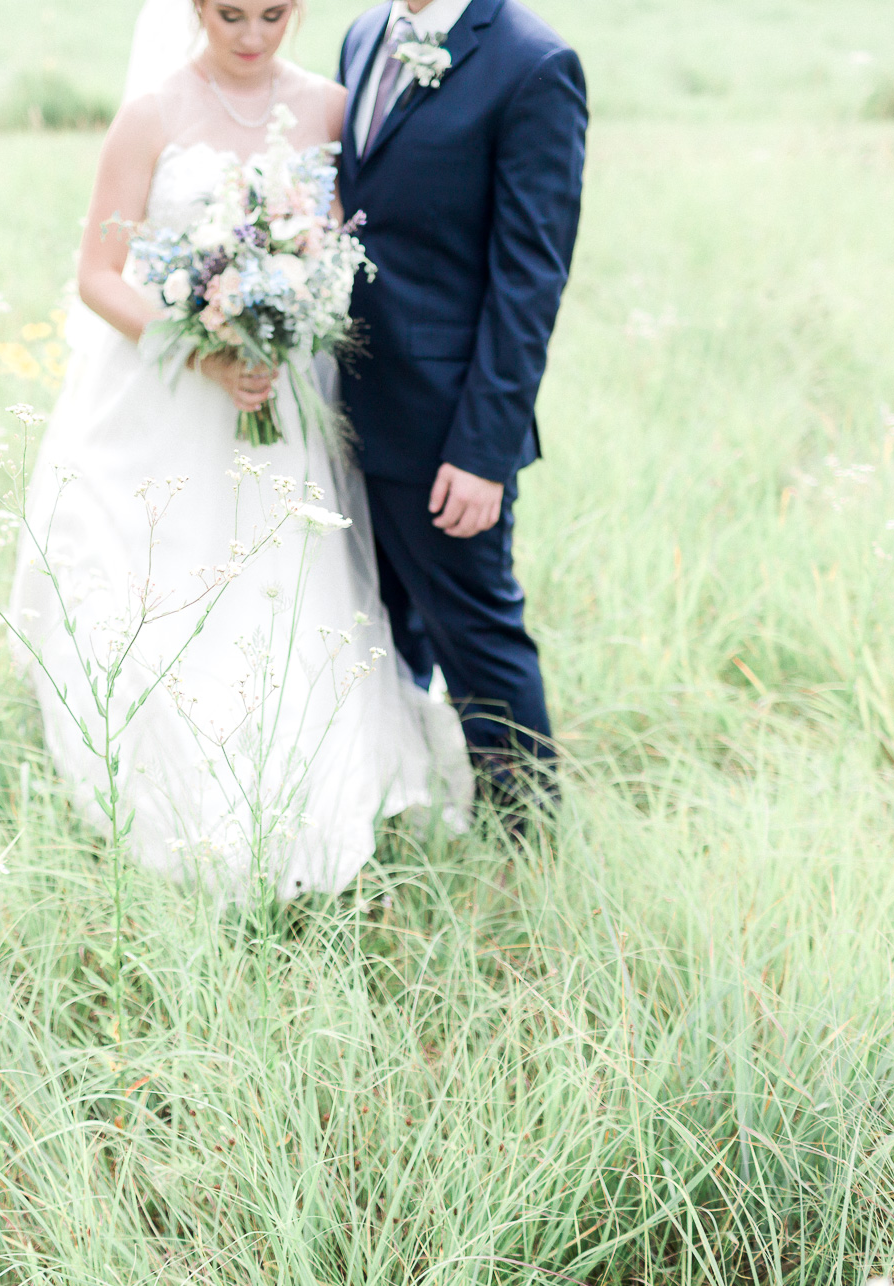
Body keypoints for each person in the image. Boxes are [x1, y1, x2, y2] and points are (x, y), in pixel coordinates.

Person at [9, 0, 471, 902]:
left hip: (284, 396)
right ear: (196, 9)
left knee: (286, 582)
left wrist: (290, 312)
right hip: (174, 391)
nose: (253, 36)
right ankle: (173, 793)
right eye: (231, 15)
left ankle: (308, 791)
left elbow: (348, 245)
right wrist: (204, 345)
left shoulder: (332, 108)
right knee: (177, 579)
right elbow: (98, 274)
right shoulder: (151, 114)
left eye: (273, 14)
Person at [337, 0, 587, 817]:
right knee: (379, 626)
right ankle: (400, 805)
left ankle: (529, 840)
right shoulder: (363, 34)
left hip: (446, 426)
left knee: (478, 637)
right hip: (339, 409)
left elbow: (530, 282)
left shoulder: (534, 64)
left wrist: (483, 451)